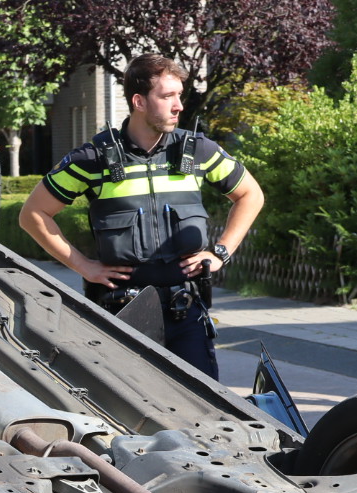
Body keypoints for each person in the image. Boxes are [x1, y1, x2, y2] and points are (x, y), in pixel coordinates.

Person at [20, 53, 265, 380]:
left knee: (204, 410)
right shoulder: (94, 158)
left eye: (180, 95)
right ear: (139, 101)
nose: (178, 105)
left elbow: (251, 195)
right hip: (122, 315)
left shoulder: (197, 151)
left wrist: (220, 252)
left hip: (186, 312)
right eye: (167, 96)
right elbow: (33, 214)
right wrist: (84, 266)